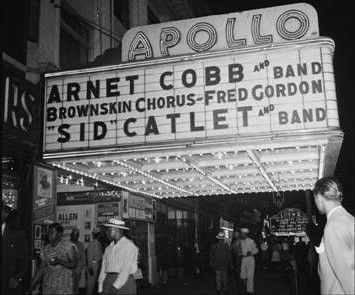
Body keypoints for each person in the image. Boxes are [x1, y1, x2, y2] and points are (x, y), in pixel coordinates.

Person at [313, 177, 355, 295]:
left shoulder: (333, 226)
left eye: (315, 198)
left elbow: (348, 275)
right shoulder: (350, 219)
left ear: (320, 197)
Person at [26, 222, 78, 295]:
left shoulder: (69, 247)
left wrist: (59, 261)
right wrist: (30, 288)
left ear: (59, 234)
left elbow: (74, 264)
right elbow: (40, 270)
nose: (49, 235)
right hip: (48, 287)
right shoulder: (45, 249)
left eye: (52, 232)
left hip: (63, 287)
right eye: (48, 232)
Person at [98, 218, 138, 295]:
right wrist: (100, 288)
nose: (106, 232)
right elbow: (103, 270)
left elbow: (125, 271)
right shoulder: (108, 248)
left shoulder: (129, 246)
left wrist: (114, 288)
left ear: (116, 230)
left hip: (125, 283)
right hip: (109, 281)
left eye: (109, 230)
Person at [2, 206, 29, 295]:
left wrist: (18, 277)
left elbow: (24, 259)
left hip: (8, 283)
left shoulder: (17, 233)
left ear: (5, 214)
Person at [239, 228, 258, 295]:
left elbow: (256, 250)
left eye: (242, 233)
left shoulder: (251, 241)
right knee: (242, 276)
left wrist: (251, 252)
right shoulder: (240, 241)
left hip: (250, 259)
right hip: (244, 259)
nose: (241, 234)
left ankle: (249, 291)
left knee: (250, 276)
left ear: (245, 234)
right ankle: (247, 288)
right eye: (241, 233)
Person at [86, 228, 103, 295]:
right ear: (97, 235)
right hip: (92, 266)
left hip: (97, 265)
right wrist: (90, 267)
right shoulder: (92, 244)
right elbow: (89, 256)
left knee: (93, 285)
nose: (101, 236)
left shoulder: (99, 243)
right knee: (90, 285)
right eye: (99, 234)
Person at [71, 227, 86, 294]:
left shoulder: (81, 244)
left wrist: (81, 267)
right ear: (71, 235)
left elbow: (83, 256)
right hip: (70, 267)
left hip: (78, 268)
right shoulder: (68, 244)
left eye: (77, 235)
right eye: (74, 235)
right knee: (70, 284)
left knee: (76, 284)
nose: (76, 236)